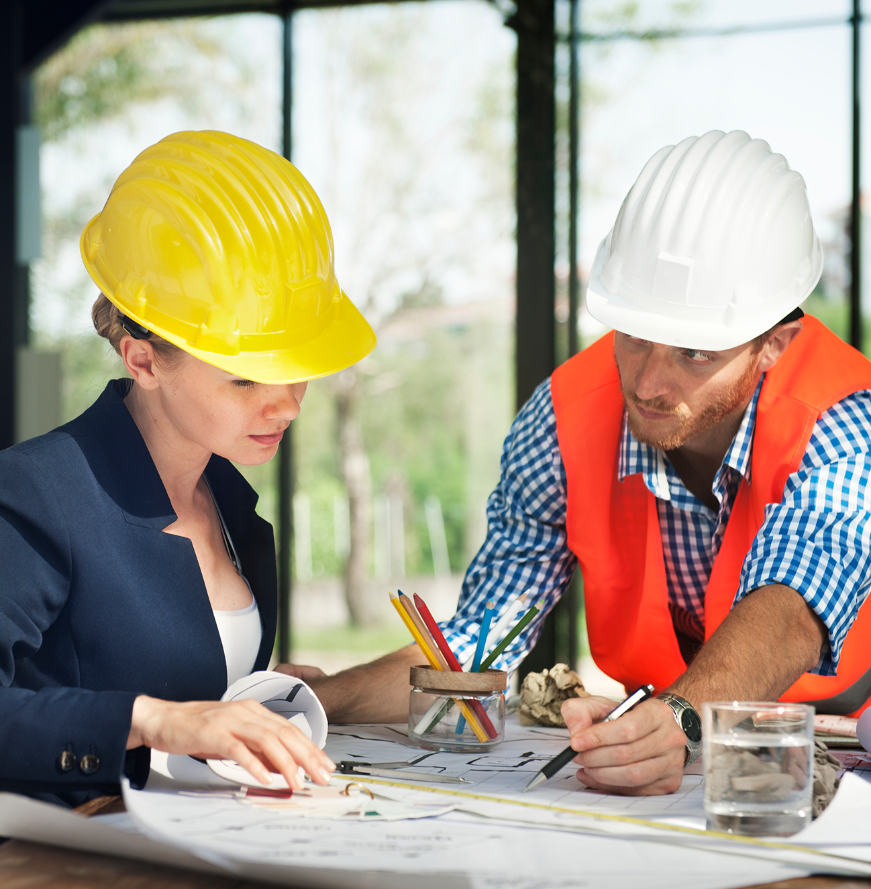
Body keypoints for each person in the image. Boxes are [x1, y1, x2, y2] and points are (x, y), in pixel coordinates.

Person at [298, 129, 871, 796]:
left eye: (693, 353)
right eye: (631, 335)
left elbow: (792, 606)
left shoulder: (844, 415)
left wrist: (679, 722)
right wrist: (321, 699)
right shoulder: (561, 417)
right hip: (655, 744)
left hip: (836, 750)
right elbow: (480, 640)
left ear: (772, 343)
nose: (648, 383)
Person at [0, 130, 376, 807]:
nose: (286, 404)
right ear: (142, 361)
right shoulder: (39, 490)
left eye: (299, 374)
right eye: (245, 381)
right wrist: (157, 720)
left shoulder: (230, 500)